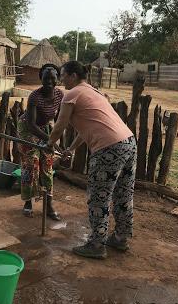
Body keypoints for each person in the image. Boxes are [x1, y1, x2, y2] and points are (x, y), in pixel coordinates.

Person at [47, 61, 137, 259]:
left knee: (99, 196)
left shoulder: (72, 94)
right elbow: (85, 131)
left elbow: (60, 125)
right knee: (123, 193)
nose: (61, 80)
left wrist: (49, 144)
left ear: (72, 75)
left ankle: (97, 244)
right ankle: (121, 238)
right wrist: (70, 149)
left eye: (62, 75)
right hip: (128, 143)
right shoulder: (93, 92)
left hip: (109, 149)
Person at [18, 64, 63, 220]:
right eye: (46, 78)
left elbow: (58, 120)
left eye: (52, 78)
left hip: (44, 130)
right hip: (28, 128)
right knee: (31, 165)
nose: (49, 81)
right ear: (41, 79)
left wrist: (56, 140)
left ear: (58, 78)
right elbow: (31, 125)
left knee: (47, 166)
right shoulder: (34, 96)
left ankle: (49, 206)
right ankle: (28, 203)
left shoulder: (59, 95)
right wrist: (50, 140)